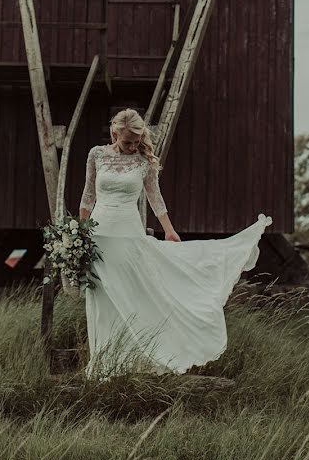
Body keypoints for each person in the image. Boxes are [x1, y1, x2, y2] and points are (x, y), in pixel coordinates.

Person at [78, 108, 273, 380]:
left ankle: (136, 358)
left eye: (136, 142)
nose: (133, 146)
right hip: (98, 235)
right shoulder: (96, 155)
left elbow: (155, 198)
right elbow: (88, 195)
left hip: (128, 233)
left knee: (133, 294)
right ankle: (102, 365)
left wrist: (169, 231)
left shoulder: (143, 162)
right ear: (114, 133)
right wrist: (80, 232)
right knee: (102, 298)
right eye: (127, 142)